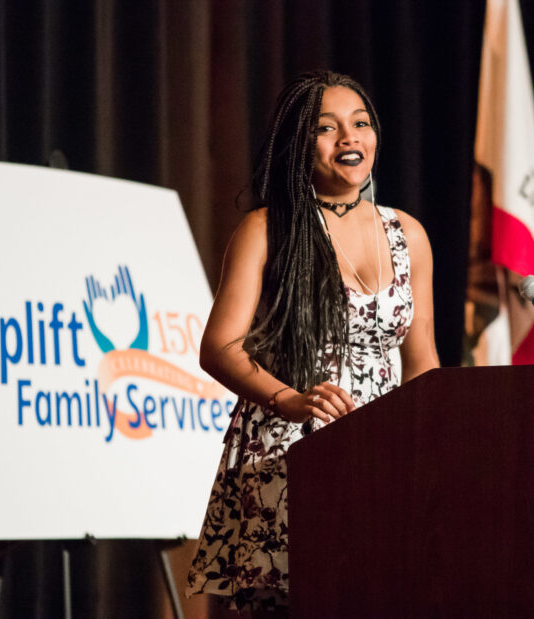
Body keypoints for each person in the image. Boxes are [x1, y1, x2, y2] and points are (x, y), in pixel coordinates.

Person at [186, 70, 439, 613]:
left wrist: (431, 454)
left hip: (385, 454)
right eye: (328, 128)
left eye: (361, 124)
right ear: (300, 147)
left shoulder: (408, 234)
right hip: (292, 449)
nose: (350, 138)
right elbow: (220, 346)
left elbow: (422, 361)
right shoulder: (268, 227)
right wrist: (290, 400)